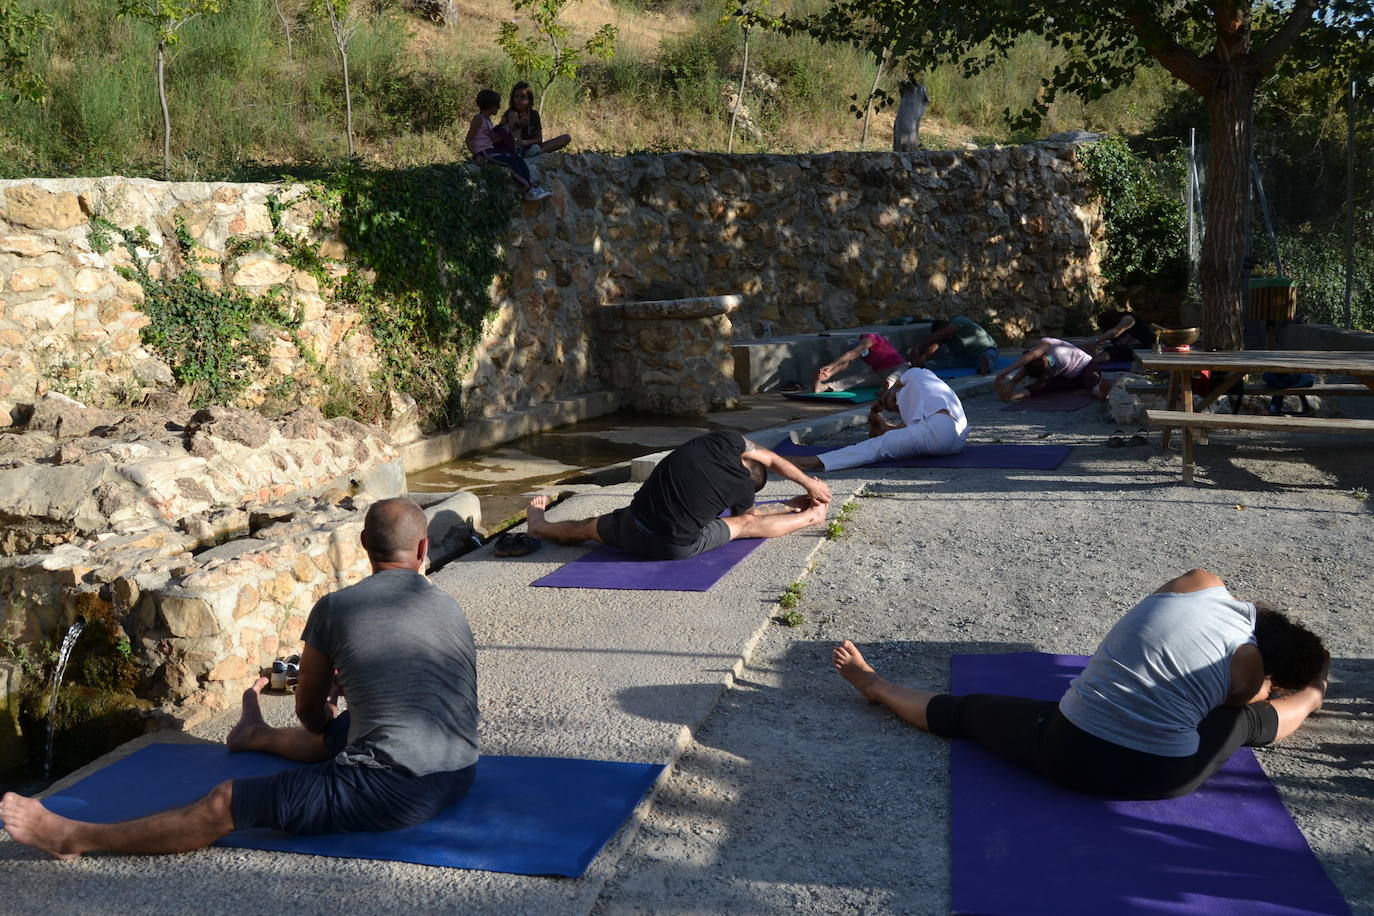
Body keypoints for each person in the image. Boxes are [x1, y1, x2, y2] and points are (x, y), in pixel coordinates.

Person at [1, 498, 480, 858]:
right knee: (350, 730)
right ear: (423, 548)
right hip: (459, 769)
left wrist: (329, 696)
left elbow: (312, 716)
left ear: (362, 545)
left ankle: (73, 838)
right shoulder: (449, 606)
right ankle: (255, 735)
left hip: (394, 791)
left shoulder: (337, 608)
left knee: (224, 801)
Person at [833, 569, 1330, 800]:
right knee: (1241, 721)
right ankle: (1312, 696)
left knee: (967, 711)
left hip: (1064, 748)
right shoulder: (1247, 666)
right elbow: (1240, 701)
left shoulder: (1198, 581)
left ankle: (877, 686)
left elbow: (1148, 622)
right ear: (1271, 666)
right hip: (1158, 779)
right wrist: (1269, 686)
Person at [526, 430, 831, 560]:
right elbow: (747, 518)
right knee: (743, 526)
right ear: (751, 485)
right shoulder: (741, 487)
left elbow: (771, 458)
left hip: (632, 528)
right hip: (674, 546)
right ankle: (810, 517)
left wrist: (804, 487)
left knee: (589, 526)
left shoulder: (722, 441)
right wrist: (798, 504)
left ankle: (540, 526)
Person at [789, 367, 968, 472]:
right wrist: (882, 422)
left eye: (890, 401)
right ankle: (817, 460)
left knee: (876, 447)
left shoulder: (918, 375)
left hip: (941, 433)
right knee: (886, 441)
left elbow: (902, 380)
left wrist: (884, 399)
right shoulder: (930, 395)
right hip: (955, 441)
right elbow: (907, 434)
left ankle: (810, 461)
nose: (896, 406)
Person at [466, 88, 552, 202]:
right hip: (485, 153)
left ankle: (532, 186)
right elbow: (468, 139)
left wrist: (510, 132)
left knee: (518, 159)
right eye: (497, 105)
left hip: (491, 150)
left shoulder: (488, 121)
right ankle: (528, 189)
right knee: (510, 162)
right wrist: (476, 155)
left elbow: (492, 138)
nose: (499, 108)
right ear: (490, 106)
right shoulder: (478, 119)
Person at [995, 337, 1110, 402]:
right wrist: (1012, 382)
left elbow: (1030, 357)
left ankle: (1099, 392)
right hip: (1070, 377)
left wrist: (1007, 371)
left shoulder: (1045, 344)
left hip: (1086, 365)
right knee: (1042, 386)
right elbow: (1028, 367)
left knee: (1091, 379)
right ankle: (1011, 397)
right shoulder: (1049, 367)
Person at [813, 332, 909, 393]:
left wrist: (831, 365)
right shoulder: (858, 352)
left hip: (899, 368)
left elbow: (853, 353)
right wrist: (829, 373)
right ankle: (823, 387)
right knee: (853, 381)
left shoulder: (869, 338)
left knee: (889, 382)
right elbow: (845, 364)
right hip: (879, 374)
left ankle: (886, 392)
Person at [909, 317, 999, 375]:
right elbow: (932, 348)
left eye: (944, 332)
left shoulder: (958, 320)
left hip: (986, 349)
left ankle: (985, 366)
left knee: (989, 355)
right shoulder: (944, 339)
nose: (946, 336)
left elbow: (939, 335)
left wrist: (919, 345)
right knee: (948, 361)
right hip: (968, 357)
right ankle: (925, 366)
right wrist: (921, 358)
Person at [502, 81, 570, 157]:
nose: (519, 100)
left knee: (566, 138)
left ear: (529, 99)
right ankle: (520, 152)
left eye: (523, 97)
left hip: (531, 147)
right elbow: (499, 131)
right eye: (516, 97)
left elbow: (539, 139)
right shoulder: (509, 113)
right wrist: (517, 124)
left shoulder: (533, 114)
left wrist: (526, 142)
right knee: (513, 115)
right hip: (514, 146)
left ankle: (536, 152)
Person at [1088, 310, 1155, 362]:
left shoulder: (1128, 318)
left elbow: (1115, 332)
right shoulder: (1109, 330)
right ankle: (1088, 362)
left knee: (1111, 351)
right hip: (1130, 352)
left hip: (1147, 349)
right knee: (1110, 351)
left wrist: (1098, 341)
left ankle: (1088, 362)